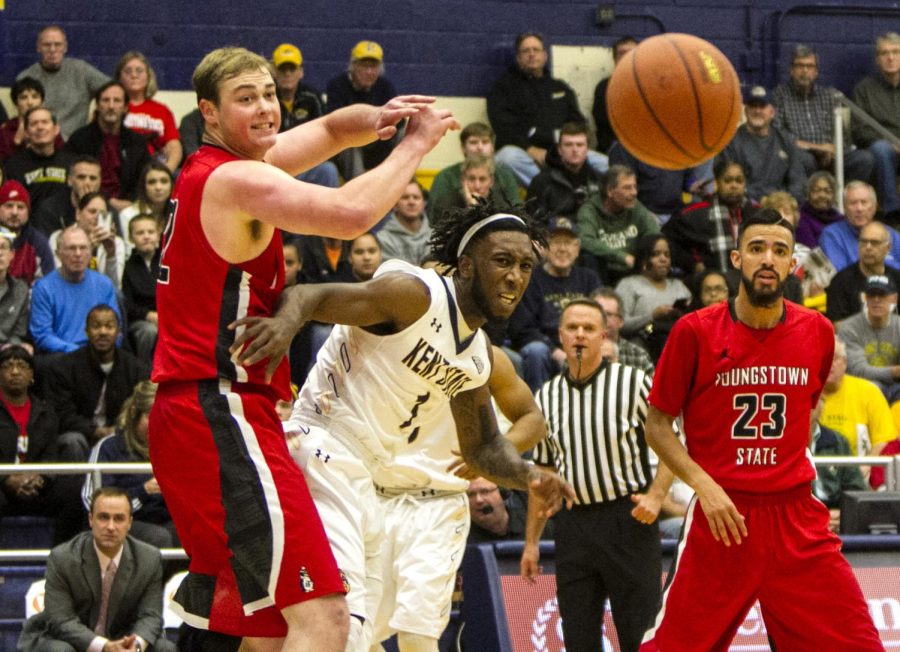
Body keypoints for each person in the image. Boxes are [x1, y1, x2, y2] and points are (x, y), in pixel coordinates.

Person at [147, 45, 458, 651]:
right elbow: (350, 214)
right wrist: (414, 146)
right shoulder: (238, 178)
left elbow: (328, 128)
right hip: (219, 408)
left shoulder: (232, 161)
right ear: (208, 112)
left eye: (269, 93)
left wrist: (378, 117)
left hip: (202, 414)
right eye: (246, 99)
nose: (265, 109)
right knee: (323, 617)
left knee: (266, 627)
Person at [231, 204, 575, 650]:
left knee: (327, 631)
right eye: (503, 261)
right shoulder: (415, 295)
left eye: (526, 266)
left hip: (367, 481)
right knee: (341, 622)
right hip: (323, 446)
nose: (515, 277)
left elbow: (483, 446)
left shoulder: (474, 355)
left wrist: (528, 475)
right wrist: (283, 326)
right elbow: (309, 295)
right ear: (467, 265)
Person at [638, 209, 882, 651]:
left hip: (796, 519)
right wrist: (703, 485)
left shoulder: (818, 332)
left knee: (857, 644)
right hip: (723, 516)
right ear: (736, 259)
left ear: (793, 265)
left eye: (779, 251)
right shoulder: (694, 332)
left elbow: (808, 409)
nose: (767, 259)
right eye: (756, 249)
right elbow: (657, 426)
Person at [521, 298, 673, 652]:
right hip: (574, 527)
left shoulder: (634, 382)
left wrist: (656, 496)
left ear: (603, 336)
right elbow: (543, 473)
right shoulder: (546, 396)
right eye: (572, 328)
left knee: (639, 633)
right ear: (560, 336)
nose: (579, 335)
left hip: (628, 520)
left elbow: (672, 446)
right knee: (578, 637)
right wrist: (531, 542)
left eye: (588, 329)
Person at [372, 345, 547, 652]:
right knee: (359, 630)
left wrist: (489, 452)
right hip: (374, 497)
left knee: (417, 633)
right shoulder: (387, 337)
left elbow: (533, 420)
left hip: (436, 503)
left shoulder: (484, 353)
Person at [17, 486, 176, 652]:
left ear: (129, 523)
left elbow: (150, 616)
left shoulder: (148, 559)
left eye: (119, 519)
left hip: (123, 639)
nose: (111, 527)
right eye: (103, 517)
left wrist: (134, 646)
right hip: (69, 640)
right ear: (91, 519)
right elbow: (61, 621)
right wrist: (104, 646)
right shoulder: (62, 557)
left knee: (165, 648)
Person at [487, 31, 607, 186]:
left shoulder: (560, 88)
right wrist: (530, 149)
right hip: (526, 154)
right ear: (518, 58)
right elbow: (503, 127)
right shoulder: (504, 89)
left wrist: (567, 148)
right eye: (526, 51)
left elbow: (577, 123)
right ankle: (552, 188)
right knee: (506, 158)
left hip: (563, 151)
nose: (531, 54)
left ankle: (584, 194)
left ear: (545, 56)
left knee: (608, 164)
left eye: (536, 50)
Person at [0, 345, 85, 545]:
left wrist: (40, 478)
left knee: (75, 491)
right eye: (7, 366)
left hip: (35, 488)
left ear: (32, 375)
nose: (14, 371)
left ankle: (60, 557)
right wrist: (6, 480)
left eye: (21, 366)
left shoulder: (46, 412)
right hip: (2, 488)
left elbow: (51, 455)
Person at [83, 381, 179, 550]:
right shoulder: (109, 447)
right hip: (121, 522)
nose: (158, 424)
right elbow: (91, 498)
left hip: (165, 518)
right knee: (160, 537)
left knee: (193, 532)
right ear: (135, 414)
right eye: (151, 417)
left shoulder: (176, 448)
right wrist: (144, 491)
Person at [508, 215, 600, 391]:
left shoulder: (589, 279)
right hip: (545, 347)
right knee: (536, 351)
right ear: (544, 247)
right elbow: (523, 328)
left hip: (582, 340)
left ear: (577, 248)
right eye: (556, 242)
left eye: (568, 243)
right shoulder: (531, 279)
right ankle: (538, 411)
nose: (562, 249)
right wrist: (555, 351)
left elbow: (599, 318)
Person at [46, 303, 149, 451]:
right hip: (81, 435)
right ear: (86, 331)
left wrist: (118, 429)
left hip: (120, 435)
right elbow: (61, 413)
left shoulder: (136, 369)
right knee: (73, 441)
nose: (103, 332)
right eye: (96, 326)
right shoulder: (64, 367)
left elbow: (138, 410)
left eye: (109, 326)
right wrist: (96, 431)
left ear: (118, 331)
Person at [772, 44, 874, 182]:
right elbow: (778, 134)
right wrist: (817, 149)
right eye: (799, 66)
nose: (805, 71)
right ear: (791, 70)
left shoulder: (829, 96)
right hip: (802, 154)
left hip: (831, 155)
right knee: (804, 160)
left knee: (864, 159)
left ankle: (847, 200)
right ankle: (806, 201)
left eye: (810, 66)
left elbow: (842, 135)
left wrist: (833, 150)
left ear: (816, 72)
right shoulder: (780, 95)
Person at [29, 225, 120, 355]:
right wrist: (78, 353)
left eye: (83, 248)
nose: (78, 254)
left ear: (90, 252)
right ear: (58, 253)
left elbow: (116, 328)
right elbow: (42, 335)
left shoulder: (104, 284)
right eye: (71, 248)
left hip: (99, 352)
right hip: (61, 355)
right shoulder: (44, 287)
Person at [65, 81, 152, 211]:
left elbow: (143, 180)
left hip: (129, 206)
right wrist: (106, 201)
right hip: (87, 204)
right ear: (98, 106)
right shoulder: (79, 139)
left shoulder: (137, 142)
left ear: (125, 107)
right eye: (106, 100)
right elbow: (71, 178)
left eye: (117, 101)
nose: (111, 106)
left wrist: (131, 203)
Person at [664, 159, 756, 276]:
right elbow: (668, 239)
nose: (734, 185)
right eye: (728, 181)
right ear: (717, 183)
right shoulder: (696, 213)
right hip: (711, 285)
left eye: (739, 181)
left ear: (745, 184)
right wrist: (693, 263)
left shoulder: (755, 213)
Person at [15, 25, 109, 139]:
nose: (52, 49)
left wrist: (98, 117)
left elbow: (113, 91)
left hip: (76, 145)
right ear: (38, 47)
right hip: (39, 144)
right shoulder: (26, 78)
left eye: (58, 44)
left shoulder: (82, 71)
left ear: (65, 47)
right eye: (47, 45)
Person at [719, 85, 807, 202]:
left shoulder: (786, 141)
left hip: (780, 206)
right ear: (746, 111)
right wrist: (760, 199)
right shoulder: (731, 142)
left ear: (772, 112)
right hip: (745, 205)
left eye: (762, 106)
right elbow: (730, 184)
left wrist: (781, 201)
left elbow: (798, 182)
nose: (757, 111)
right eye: (753, 106)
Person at [326, 40, 399, 180]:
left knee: (404, 131)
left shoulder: (386, 87)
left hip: (378, 141)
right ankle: (359, 185)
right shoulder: (337, 85)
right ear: (352, 66)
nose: (369, 72)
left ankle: (400, 181)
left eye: (374, 67)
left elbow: (397, 120)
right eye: (364, 66)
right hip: (350, 145)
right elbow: (334, 121)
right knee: (348, 139)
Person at [576, 164, 660, 285]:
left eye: (635, 187)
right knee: (589, 258)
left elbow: (654, 234)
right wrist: (622, 257)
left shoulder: (635, 206)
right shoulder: (589, 211)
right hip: (605, 271)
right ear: (610, 191)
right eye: (627, 188)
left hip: (633, 268)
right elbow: (586, 240)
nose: (634, 193)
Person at [271, 43, 339, 189]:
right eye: (282, 69)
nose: (287, 74)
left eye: (292, 68)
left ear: (301, 72)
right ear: (274, 72)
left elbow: (325, 136)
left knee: (328, 170)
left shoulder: (312, 97)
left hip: (305, 163)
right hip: (272, 166)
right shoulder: (265, 99)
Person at [820, 336, 896, 461]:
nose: (828, 363)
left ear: (845, 362)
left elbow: (884, 441)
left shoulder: (869, 392)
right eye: (822, 358)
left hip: (860, 474)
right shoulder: (804, 393)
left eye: (834, 358)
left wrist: (866, 467)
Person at [852, 31, 900, 215]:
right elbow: (859, 130)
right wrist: (891, 144)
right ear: (877, 59)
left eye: (896, 52)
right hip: (883, 149)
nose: (890, 58)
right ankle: (892, 211)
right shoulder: (864, 89)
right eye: (884, 53)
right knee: (881, 150)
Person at [616, 234, 691, 346]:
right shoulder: (629, 285)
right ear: (643, 260)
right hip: (642, 344)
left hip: (677, 341)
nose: (663, 259)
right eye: (656, 254)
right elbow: (619, 324)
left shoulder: (678, 286)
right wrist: (652, 316)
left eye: (667, 255)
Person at [809, 395, 869, 533]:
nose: (810, 407)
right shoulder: (783, 442)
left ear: (822, 406)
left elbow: (856, 490)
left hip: (835, 521)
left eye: (814, 399)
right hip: (802, 520)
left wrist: (843, 513)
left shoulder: (837, 441)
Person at [116, 51, 184, 172]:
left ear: (148, 76)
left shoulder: (162, 110)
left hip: (156, 169)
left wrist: (167, 172)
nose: (134, 75)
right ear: (119, 77)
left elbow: (174, 145)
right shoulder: (112, 106)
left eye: (139, 71)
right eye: (128, 71)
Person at [428, 122, 520, 211]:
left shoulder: (506, 177)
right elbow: (434, 215)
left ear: (492, 147)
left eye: (485, 142)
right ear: (463, 148)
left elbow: (516, 212)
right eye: (473, 142)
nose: (480, 147)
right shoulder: (445, 177)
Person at [837, 275, 900, 403]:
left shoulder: (898, 326)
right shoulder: (849, 328)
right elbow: (859, 370)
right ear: (864, 298)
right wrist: (894, 372)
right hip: (861, 385)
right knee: (873, 387)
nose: (877, 300)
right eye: (872, 295)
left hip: (895, 387)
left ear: (894, 298)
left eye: (882, 295)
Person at [4, 106, 76, 215]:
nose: (40, 127)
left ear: (56, 129)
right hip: (28, 228)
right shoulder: (13, 166)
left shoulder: (71, 163)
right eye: (34, 124)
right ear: (26, 133)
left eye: (45, 122)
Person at [526, 121, 603, 220]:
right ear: (559, 150)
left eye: (579, 145)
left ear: (587, 149)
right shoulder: (541, 182)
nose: (574, 150)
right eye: (568, 145)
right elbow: (532, 221)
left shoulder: (598, 179)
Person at [826, 220, 900, 322]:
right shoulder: (841, 281)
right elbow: (836, 324)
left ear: (888, 248)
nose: (868, 247)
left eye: (874, 243)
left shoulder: (897, 279)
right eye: (863, 242)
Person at [49, 191, 126, 288]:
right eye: (92, 212)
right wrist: (88, 247)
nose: (97, 217)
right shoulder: (59, 237)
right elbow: (59, 278)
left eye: (103, 213)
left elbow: (114, 287)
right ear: (78, 214)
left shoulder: (116, 242)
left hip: (100, 294)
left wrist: (111, 255)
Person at [821, 180, 900, 271]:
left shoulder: (890, 234)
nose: (859, 208)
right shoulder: (832, 235)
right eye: (853, 203)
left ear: (874, 207)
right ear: (844, 208)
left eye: (864, 202)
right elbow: (841, 275)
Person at [0, 180, 55, 287]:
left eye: (20, 207)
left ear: (28, 212)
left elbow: (47, 286)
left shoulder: (38, 243)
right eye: (9, 206)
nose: (14, 212)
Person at [32, 155, 103, 238]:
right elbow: (46, 247)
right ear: (69, 180)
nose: (87, 183)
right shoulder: (50, 209)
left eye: (93, 178)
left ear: (100, 182)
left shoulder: (107, 209)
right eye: (81, 177)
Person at [122, 214, 161, 361]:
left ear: (158, 235)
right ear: (131, 238)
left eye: (150, 232)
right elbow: (127, 303)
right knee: (148, 331)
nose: (146, 237)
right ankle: (145, 373)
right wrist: (148, 315)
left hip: (168, 316)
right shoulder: (127, 266)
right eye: (140, 233)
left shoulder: (168, 261)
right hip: (141, 320)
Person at [0, 76, 65, 162]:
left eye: (35, 97)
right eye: (23, 97)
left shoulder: (49, 127)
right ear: (16, 103)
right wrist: (16, 143)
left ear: (41, 101)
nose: (30, 102)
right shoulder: (6, 130)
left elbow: (63, 158)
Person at [429, 154, 513, 220]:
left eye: (482, 179)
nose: (477, 186)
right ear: (463, 179)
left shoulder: (501, 206)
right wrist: (471, 209)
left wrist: (477, 210)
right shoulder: (445, 204)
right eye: (471, 179)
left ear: (491, 181)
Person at [590, 287, 655, 373]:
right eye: (597, 313)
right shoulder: (577, 351)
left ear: (620, 321)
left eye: (608, 314)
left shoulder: (638, 355)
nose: (601, 319)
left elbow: (653, 385)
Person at [592, 36, 638, 154]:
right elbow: (605, 124)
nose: (627, 56)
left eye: (632, 53)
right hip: (614, 149)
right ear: (614, 59)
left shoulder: (651, 87)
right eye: (622, 53)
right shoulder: (604, 88)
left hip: (646, 150)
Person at [376, 179, 433, 265]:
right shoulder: (382, 240)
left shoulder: (435, 236)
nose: (411, 202)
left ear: (424, 204)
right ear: (394, 205)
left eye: (416, 197)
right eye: (405, 197)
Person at [467, 477, 530, 543]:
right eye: (470, 494)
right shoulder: (461, 539)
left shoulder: (532, 523)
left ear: (502, 493)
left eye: (485, 492)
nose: (478, 500)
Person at [796, 170, 844, 249]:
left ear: (834, 195)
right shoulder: (801, 218)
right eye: (816, 191)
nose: (822, 195)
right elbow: (811, 252)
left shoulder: (840, 219)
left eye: (828, 191)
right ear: (809, 194)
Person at [0, 235, 30, 347]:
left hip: (6, 352)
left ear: (11, 254)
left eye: (3, 248)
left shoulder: (20, 290)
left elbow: (19, 333)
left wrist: (10, 346)